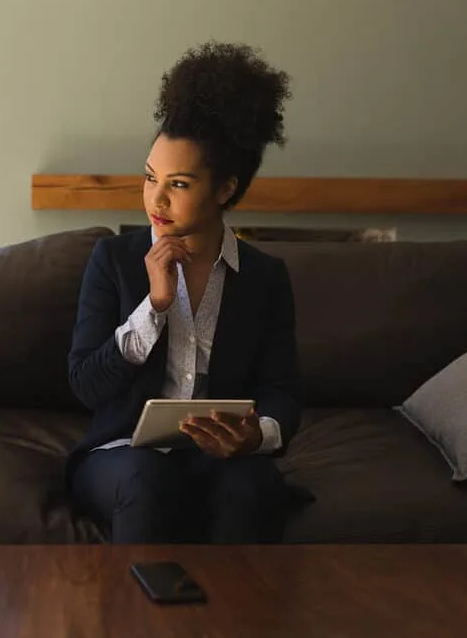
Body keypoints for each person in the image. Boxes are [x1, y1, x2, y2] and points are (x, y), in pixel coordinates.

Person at [66, 41, 299, 544]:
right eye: (150, 178)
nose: (157, 198)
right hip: (121, 455)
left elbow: (282, 390)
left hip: (216, 460)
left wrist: (257, 435)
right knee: (148, 479)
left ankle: (235, 621)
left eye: (179, 184)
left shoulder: (265, 278)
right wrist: (154, 307)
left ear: (224, 190)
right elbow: (85, 385)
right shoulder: (113, 260)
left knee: (254, 486)